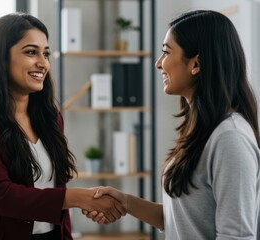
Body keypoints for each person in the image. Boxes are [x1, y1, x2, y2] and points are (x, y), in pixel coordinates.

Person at [84, 10, 260, 239]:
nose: (159, 63)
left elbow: (236, 236)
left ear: (196, 64)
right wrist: (125, 201)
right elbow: (182, 220)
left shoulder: (230, 139)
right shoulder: (203, 129)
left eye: (166, 52)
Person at [0, 13, 125, 240]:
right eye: (31, 52)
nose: (43, 63)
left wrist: (86, 203)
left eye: (46, 53)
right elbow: (0, 196)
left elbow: (55, 189)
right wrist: (79, 197)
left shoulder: (49, 117)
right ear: (1, 58)